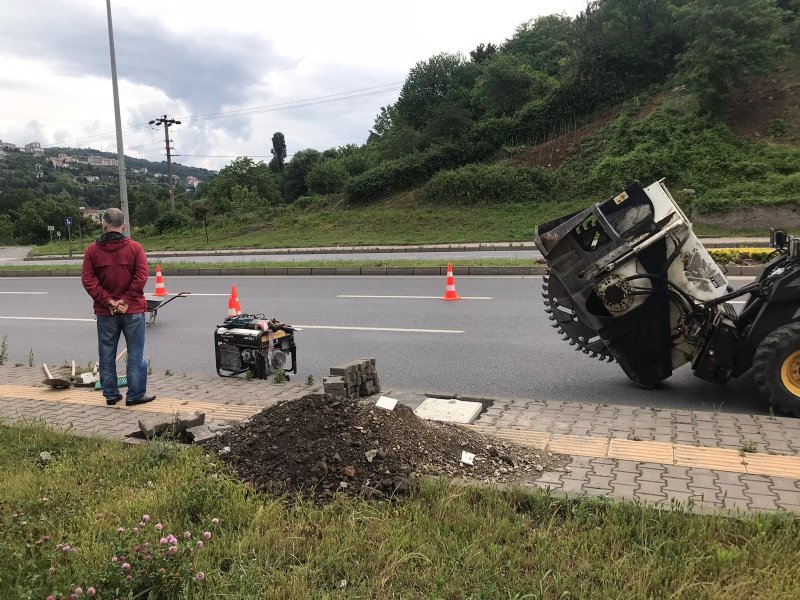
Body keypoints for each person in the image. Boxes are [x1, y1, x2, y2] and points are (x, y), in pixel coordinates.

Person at [81, 208, 155, 406]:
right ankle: (135, 395)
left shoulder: (91, 251)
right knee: (135, 354)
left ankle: (111, 395)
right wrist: (126, 300)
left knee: (106, 354)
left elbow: (89, 280)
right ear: (124, 225)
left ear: (103, 225)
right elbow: (141, 276)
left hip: (106, 313)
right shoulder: (135, 248)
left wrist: (109, 302)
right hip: (132, 310)